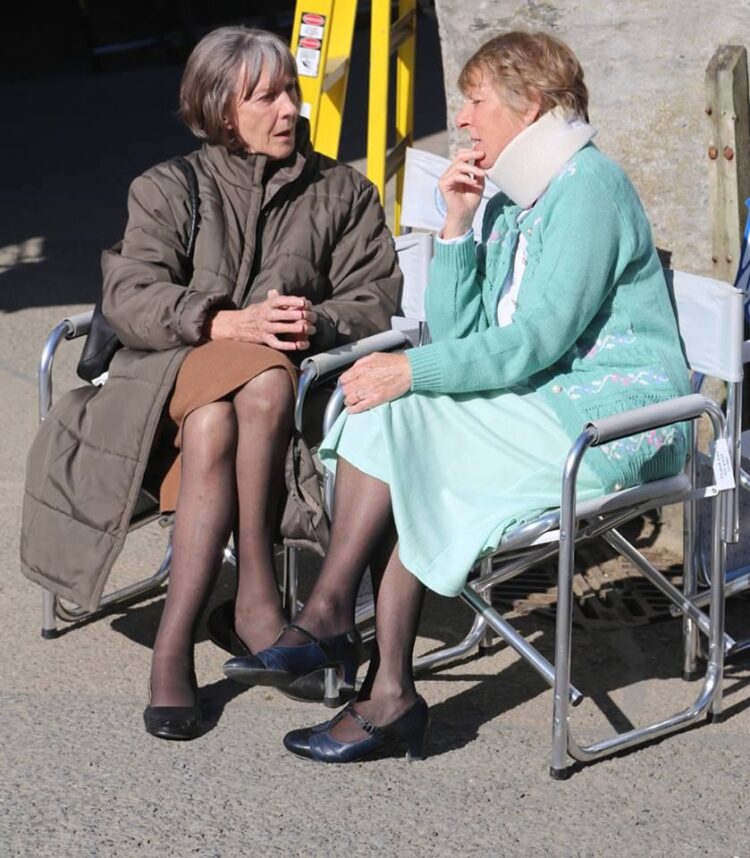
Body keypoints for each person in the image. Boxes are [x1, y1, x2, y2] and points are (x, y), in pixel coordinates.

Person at [223, 30, 691, 763]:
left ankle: (345, 639)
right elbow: (458, 333)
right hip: (542, 405)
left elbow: (536, 340)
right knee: (389, 417)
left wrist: (413, 373)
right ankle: (372, 670)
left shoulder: (589, 188)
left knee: (405, 412)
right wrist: (457, 226)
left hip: (614, 420)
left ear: (530, 103)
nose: (463, 119)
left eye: (475, 101)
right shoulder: (513, 199)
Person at [20, 27, 400, 741]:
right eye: (267, 96)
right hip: (158, 389)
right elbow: (129, 293)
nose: (290, 108)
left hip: (264, 403)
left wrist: (310, 321)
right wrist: (222, 322)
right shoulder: (169, 187)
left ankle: (176, 643)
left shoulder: (342, 191)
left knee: (230, 410)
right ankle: (255, 602)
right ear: (224, 110)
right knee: (237, 392)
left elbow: (374, 296)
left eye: (291, 89)